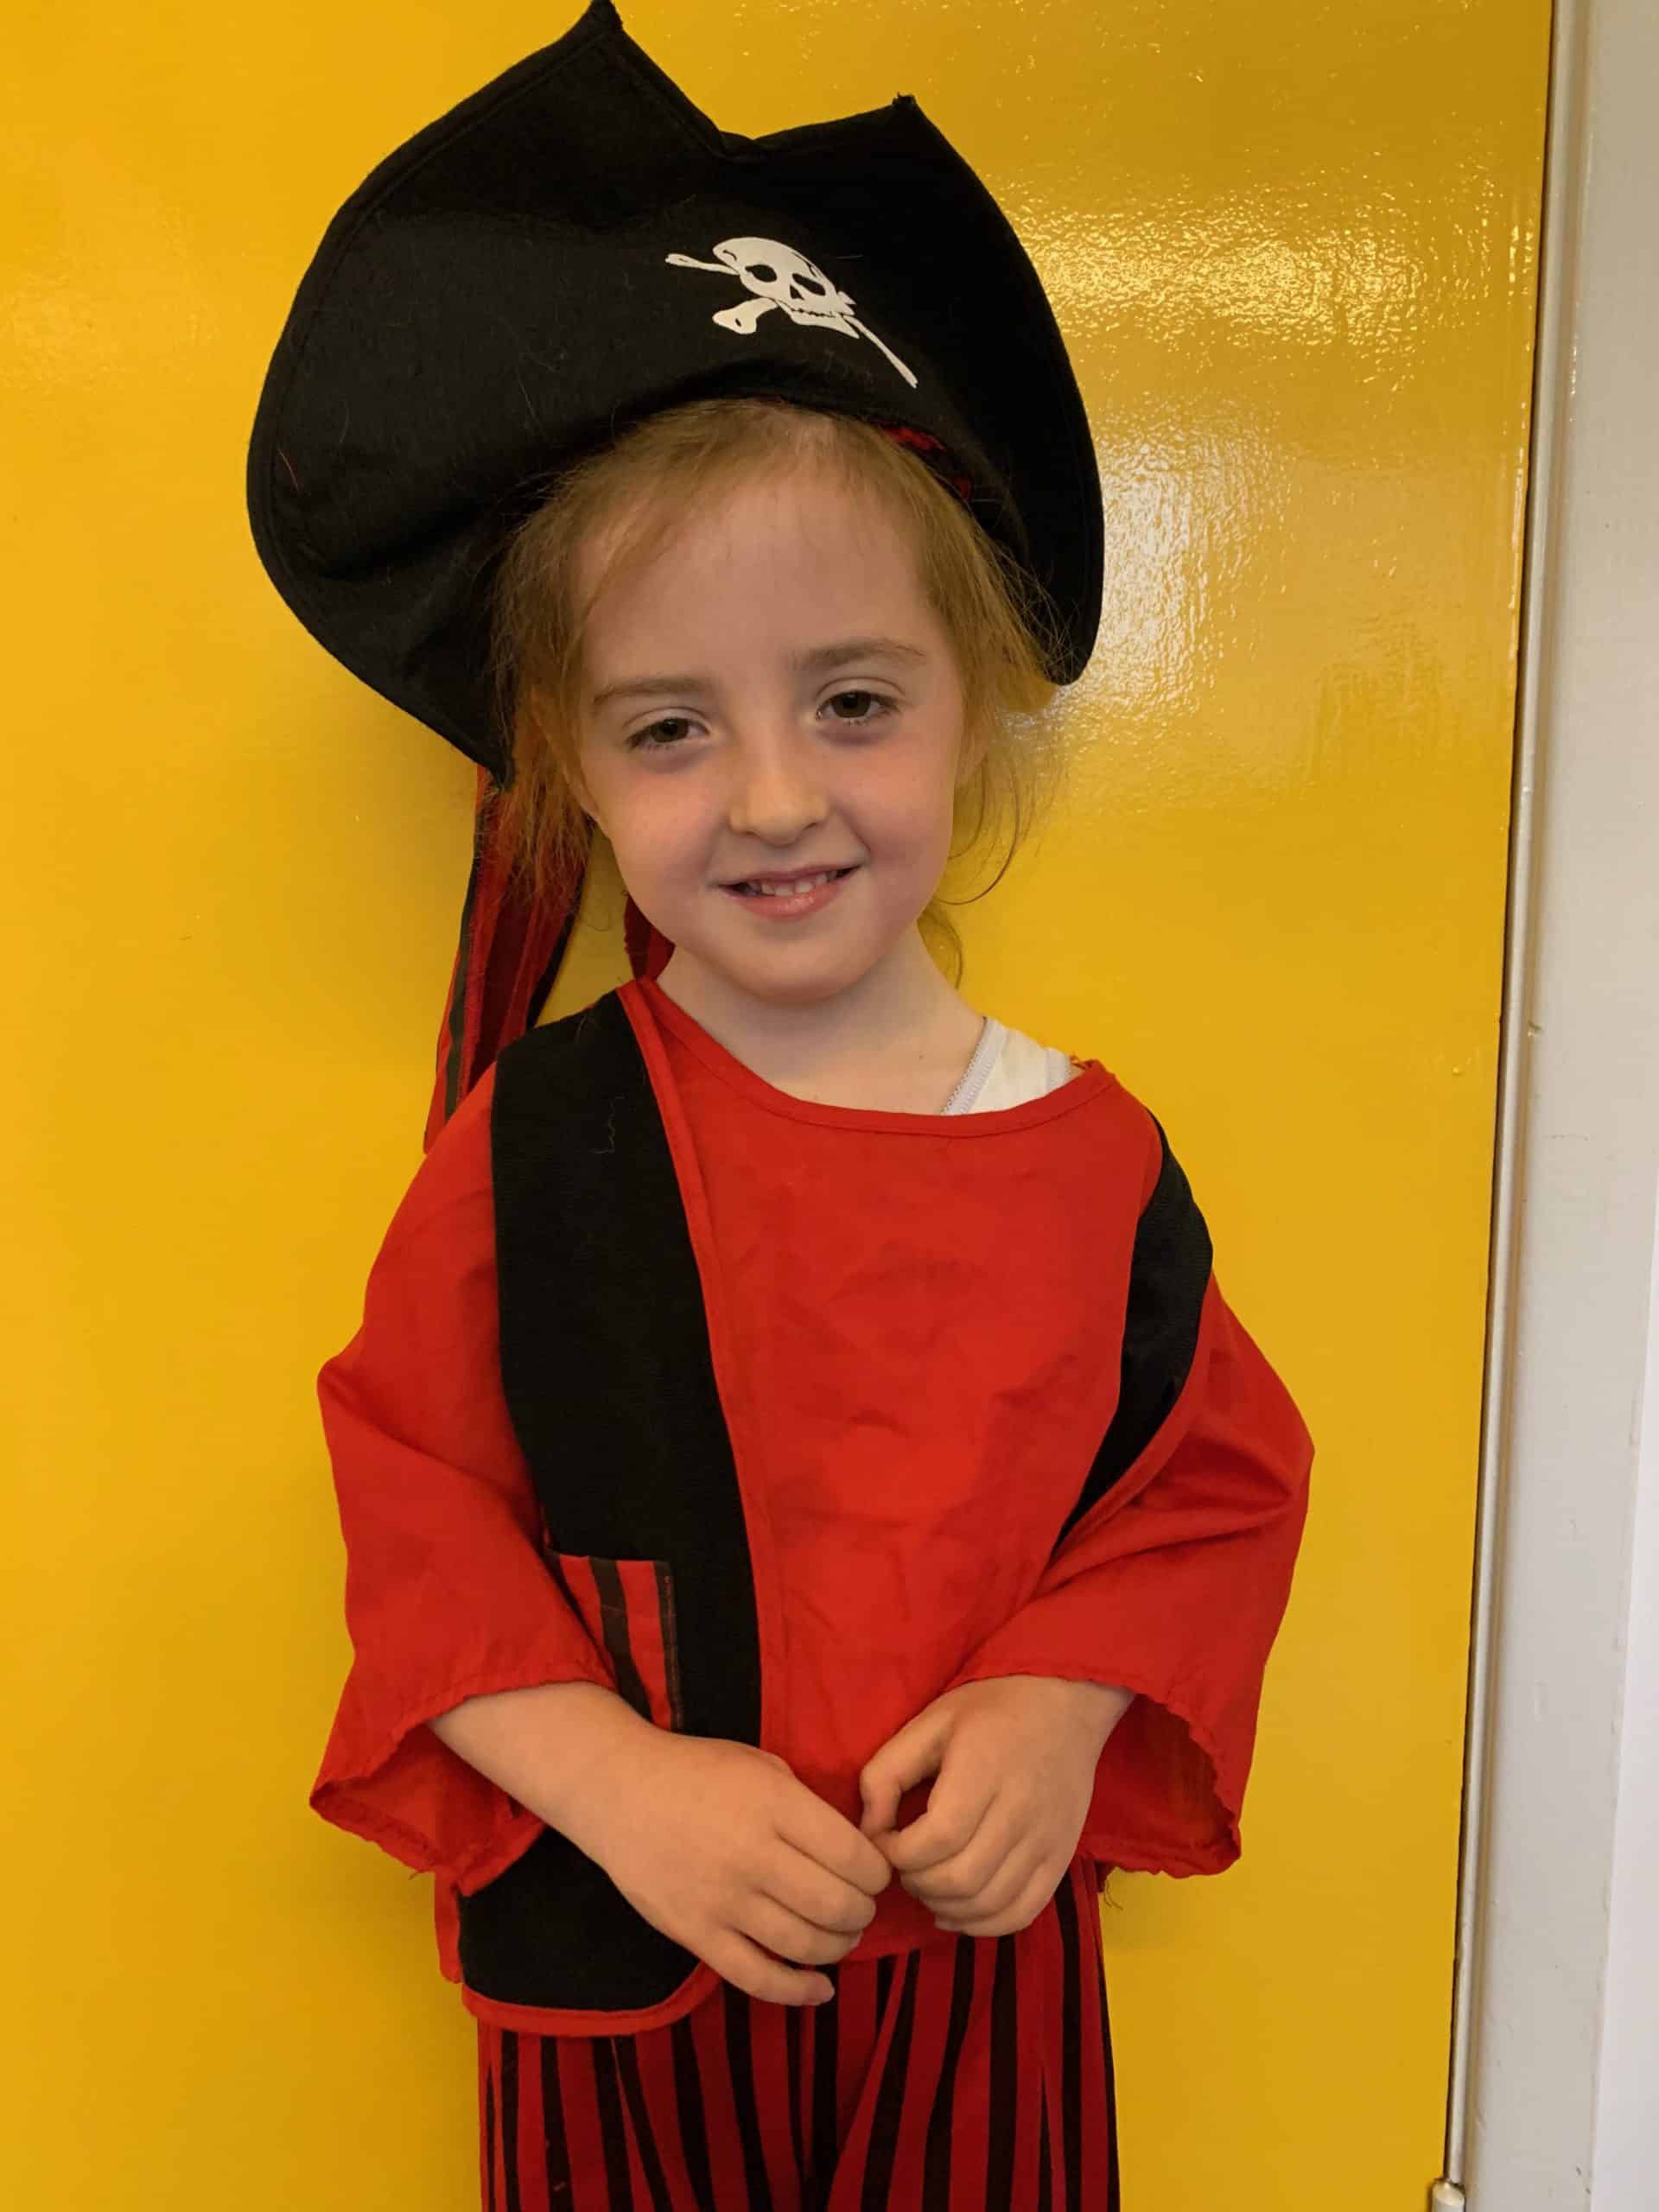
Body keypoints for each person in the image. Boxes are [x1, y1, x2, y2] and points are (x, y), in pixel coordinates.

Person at [246, 7, 1314, 2205]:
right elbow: (415, 1506)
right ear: (566, 763)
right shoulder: (545, 1141)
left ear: (973, 704)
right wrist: (614, 1778)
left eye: (849, 700)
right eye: (668, 726)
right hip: (627, 1969)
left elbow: (1207, 1489)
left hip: (978, 1985)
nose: (768, 797)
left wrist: (1061, 1704)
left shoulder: (1094, 1160)